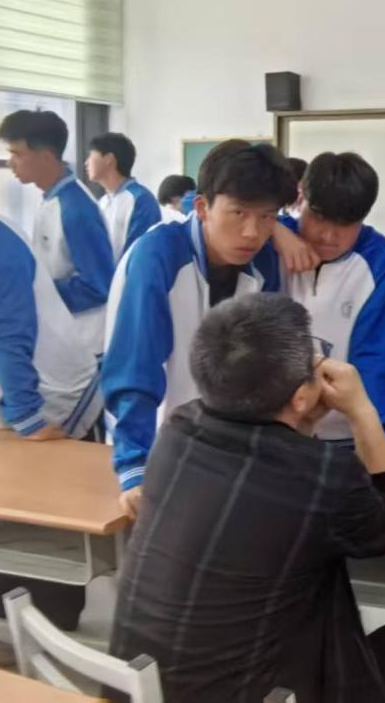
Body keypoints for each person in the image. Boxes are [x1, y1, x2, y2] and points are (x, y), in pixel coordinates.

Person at [108, 293, 385, 703]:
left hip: (137, 689)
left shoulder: (177, 431)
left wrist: (299, 423)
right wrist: (361, 411)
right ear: (300, 396)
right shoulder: (324, 476)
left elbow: (272, 468)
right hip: (255, 696)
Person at [101, 140, 297, 519]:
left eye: (266, 217)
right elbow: (134, 369)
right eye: (238, 213)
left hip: (223, 450)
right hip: (155, 443)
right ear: (203, 207)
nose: (252, 232)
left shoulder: (263, 263)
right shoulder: (158, 257)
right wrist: (134, 467)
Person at [0, 181, 102, 631]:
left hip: (49, 405)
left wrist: (31, 421)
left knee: (49, 541)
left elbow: (6, 337)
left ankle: (50, 637)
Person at [276, 151, 385, 456]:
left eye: (346, 224)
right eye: (318, 217)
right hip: (273, 431)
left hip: (347, 436)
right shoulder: (269, 241)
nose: (328, 235)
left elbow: (379, 357)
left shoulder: (380, 260)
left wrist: (379, 438)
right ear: (300, 197)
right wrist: (274, 230)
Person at [0, 110, 114, 355]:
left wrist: (33, 290)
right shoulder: (52, 198)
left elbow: (98, 286)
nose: (10, 163)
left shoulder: (75, 209)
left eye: (17, 154)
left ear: (46, 157)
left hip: (84, 345)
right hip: (64, 336)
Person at [85, 132, 162, 262]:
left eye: (91, 155)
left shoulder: (140, 200)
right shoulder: (102, 202)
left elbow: (141, 256)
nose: (86, 163)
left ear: (109, 159)